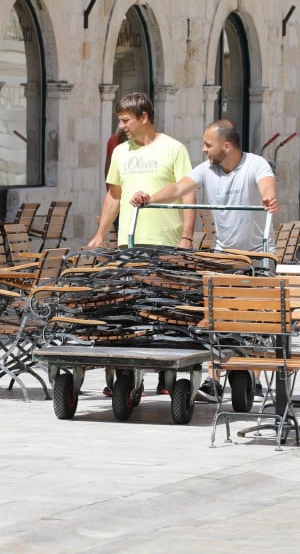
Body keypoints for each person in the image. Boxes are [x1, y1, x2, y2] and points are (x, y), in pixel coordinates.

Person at [130, 118, 279, 401]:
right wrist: (149, 198)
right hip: (224, 256)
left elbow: (266, 185)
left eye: (208, 145)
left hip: (258, 255)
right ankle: (213, 380)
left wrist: (269, 198)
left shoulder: (255, 164)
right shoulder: (208, 170)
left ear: (226, 146)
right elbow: (178, 188)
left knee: (257, 319)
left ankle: (254, 378)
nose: (203, 150)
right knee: (216, 316)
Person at [88, 92, 197, 395]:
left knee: (164, 309)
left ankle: (167, 377)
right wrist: (100, 233)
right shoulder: (121, 152)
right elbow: (114, 195)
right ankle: (127, 374)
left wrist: (187, 236)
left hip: (166, 242)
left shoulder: (174, 149)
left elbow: (188, 193)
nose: (121, 126)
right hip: (129, 244)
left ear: (143, 117)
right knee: (129, 308)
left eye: (125, 120)